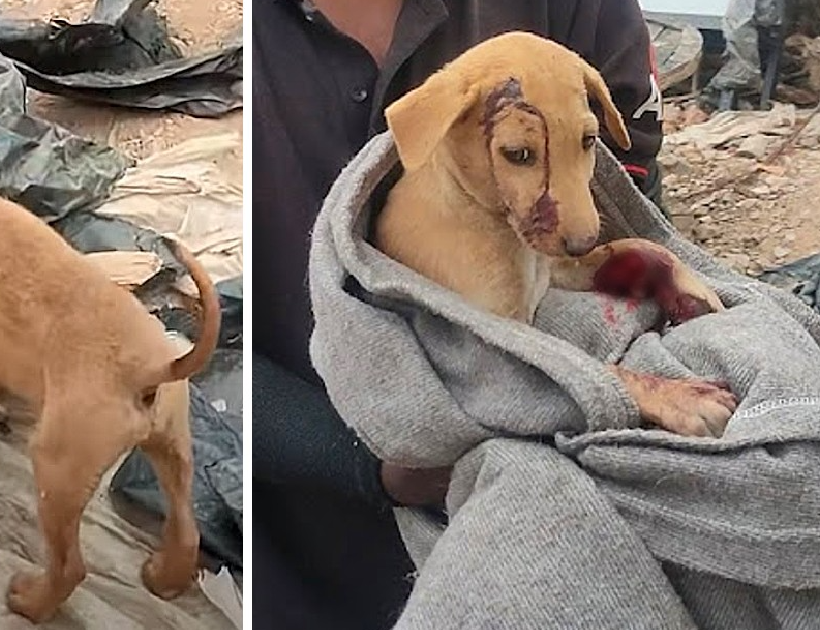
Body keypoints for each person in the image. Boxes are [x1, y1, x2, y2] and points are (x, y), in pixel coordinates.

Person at [251, 0, 665, 628]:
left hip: (567, 536)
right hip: (305, 553)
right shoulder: (242, 47)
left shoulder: (582, 13)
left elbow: (624, 201)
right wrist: (366, 464)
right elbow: (201, 346)